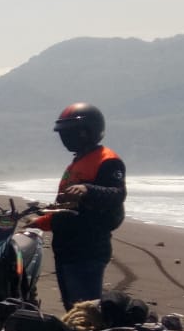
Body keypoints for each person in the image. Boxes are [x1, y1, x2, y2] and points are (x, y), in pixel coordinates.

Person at [30, 102, 127, 309]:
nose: (65, 139)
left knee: (85, 310)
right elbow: (65, 208)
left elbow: (118, 194)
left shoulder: (107, 161)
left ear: (86, 132)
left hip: (88, 247)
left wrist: (88, 189)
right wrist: (40, 221)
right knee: (71, 307)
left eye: (70, 133)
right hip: (66, 246)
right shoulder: (75, 164)